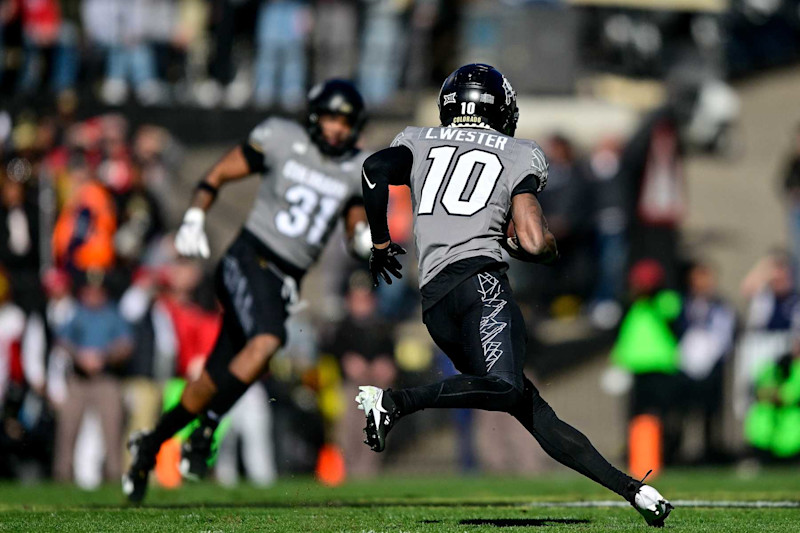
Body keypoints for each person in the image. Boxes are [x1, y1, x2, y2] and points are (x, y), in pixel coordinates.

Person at [355, 64, 672, 527]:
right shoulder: (519, 151)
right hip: (481, 283)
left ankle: (634, 491)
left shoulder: (418, 139)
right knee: (505, 389)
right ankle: (396, 402)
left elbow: (372, 170)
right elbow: (534, 239)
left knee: (528, 405)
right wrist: (548, 251)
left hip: (436, 301)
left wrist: (381, 242)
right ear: (499, 107)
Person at [123, 79, 373, 503]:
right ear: (314, 116)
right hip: (248, 257)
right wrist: (194, 218)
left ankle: (149, 445)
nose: (336, 128)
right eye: (330, 117)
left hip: (283, 280)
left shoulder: (356, 168)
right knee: (268, 339)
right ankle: (205, 433)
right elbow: (218, 173)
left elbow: (353, 224)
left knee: (211, 381)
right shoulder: (281, 138)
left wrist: (364, 239)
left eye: (345, 121)